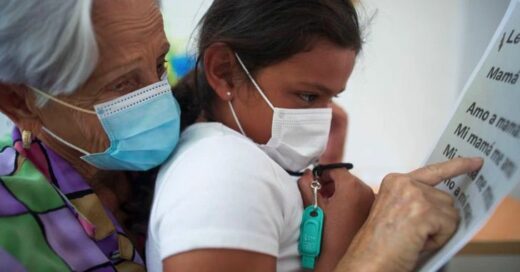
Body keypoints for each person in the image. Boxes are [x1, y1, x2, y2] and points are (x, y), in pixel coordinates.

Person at [146, 0, 484, 271]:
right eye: (308, 96)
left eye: (331, 97)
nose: (325, 116)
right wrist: (362, 249)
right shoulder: (223, 171)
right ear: (224, 72)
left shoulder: (239, 157)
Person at [0, 0, 181, 271]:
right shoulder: (9, 227)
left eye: (159, 65)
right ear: (20, 103)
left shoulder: (198, 140)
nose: (160, 100)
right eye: (121, 84)